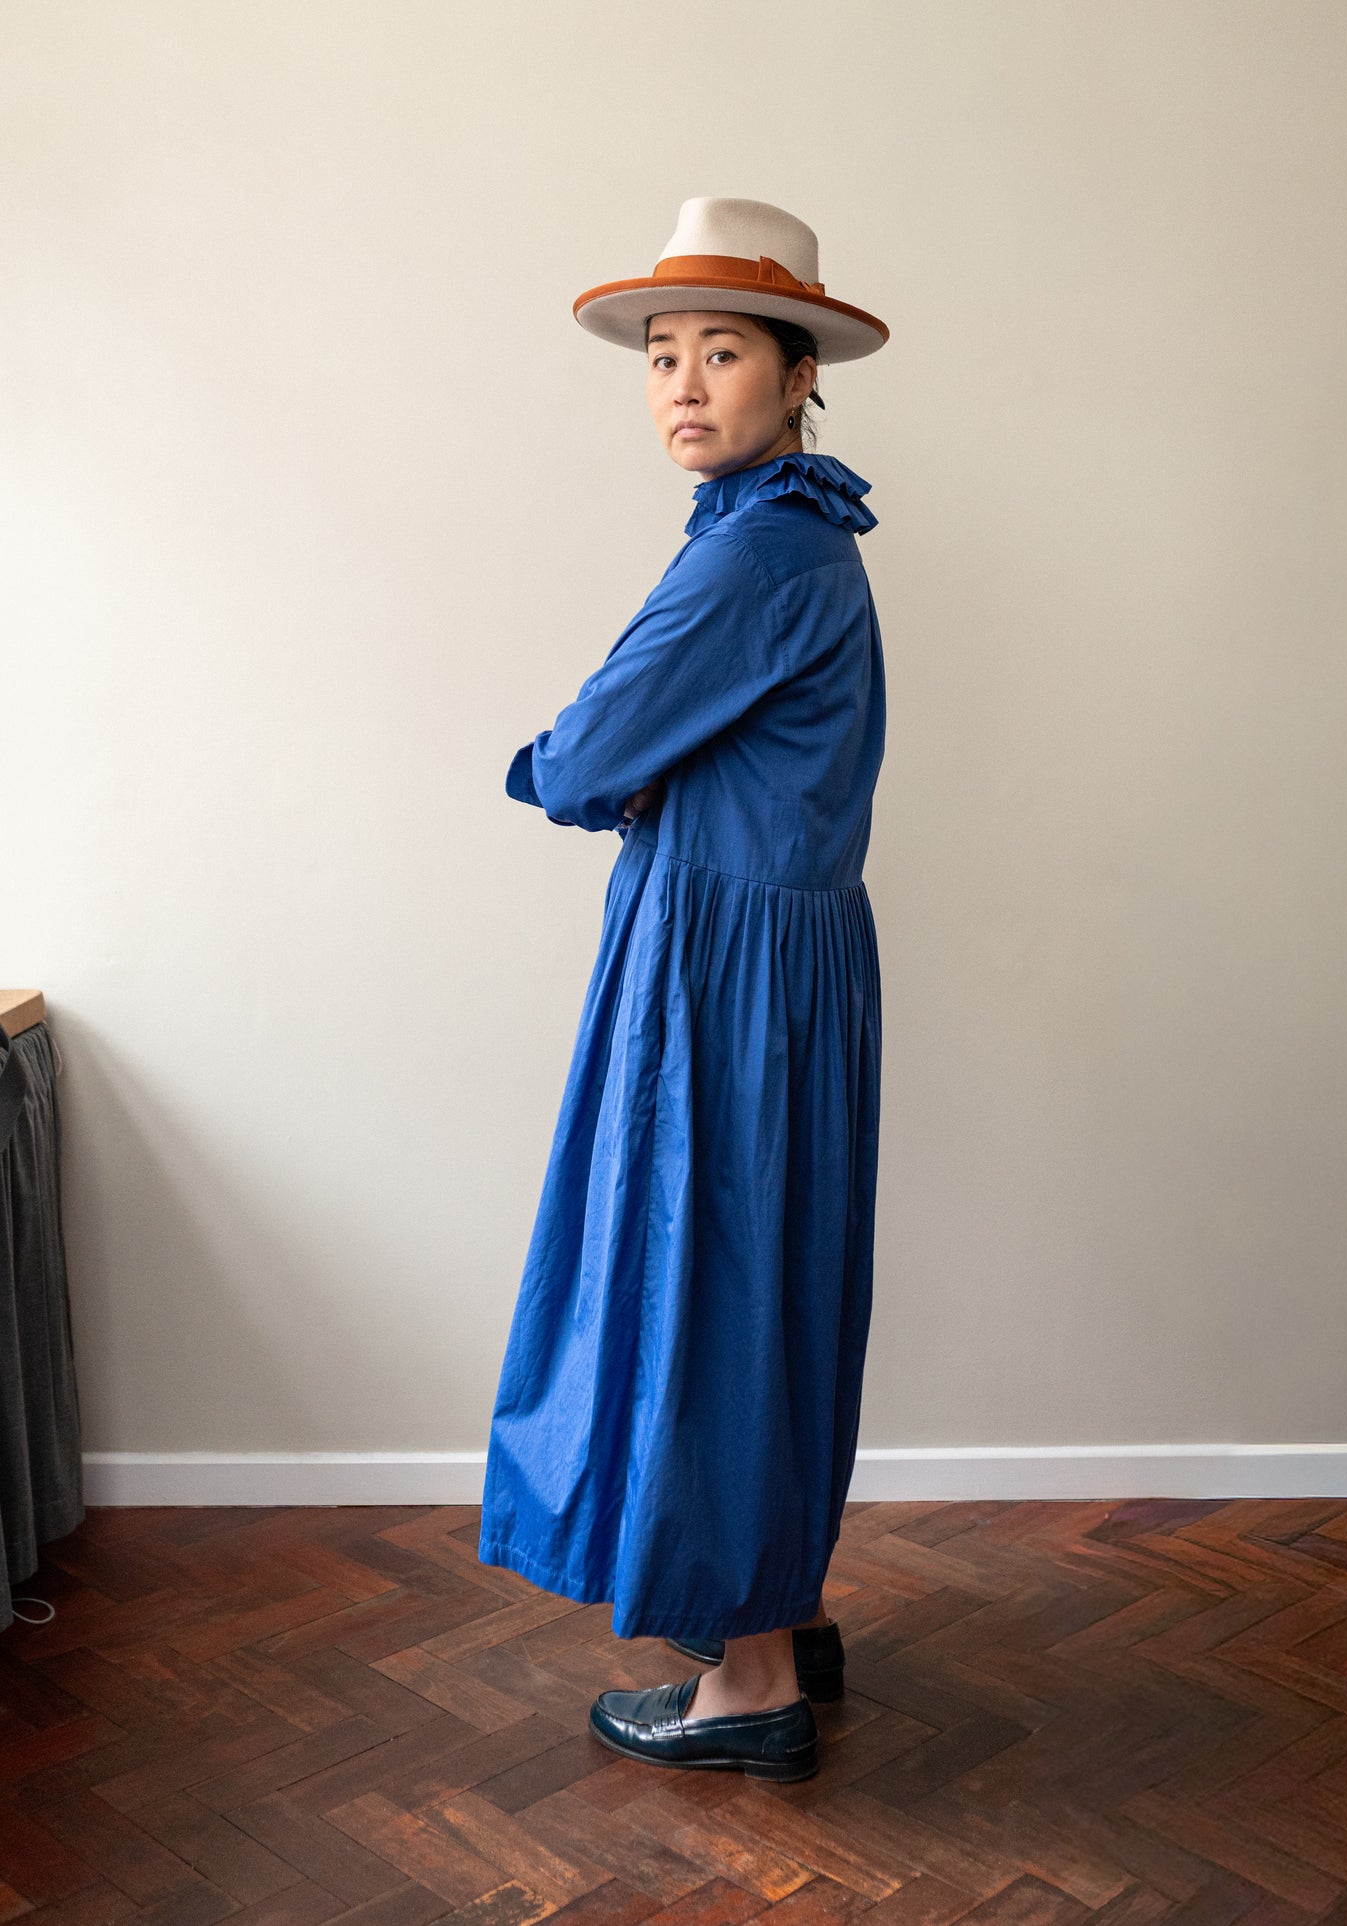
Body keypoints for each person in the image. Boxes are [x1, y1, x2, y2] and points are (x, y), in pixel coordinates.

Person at [479, 196, 889, 1783]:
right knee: (757, 1274)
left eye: (722, 351)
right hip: (770, 956)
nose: (683, 384)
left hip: (723, 971)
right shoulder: (784, 534)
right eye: (662, 355)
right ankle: (779, 1611)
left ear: (797, 376)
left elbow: (583, 758)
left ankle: (750, 1683)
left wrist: (578, 766)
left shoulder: (755, 553)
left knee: (707, 1282)